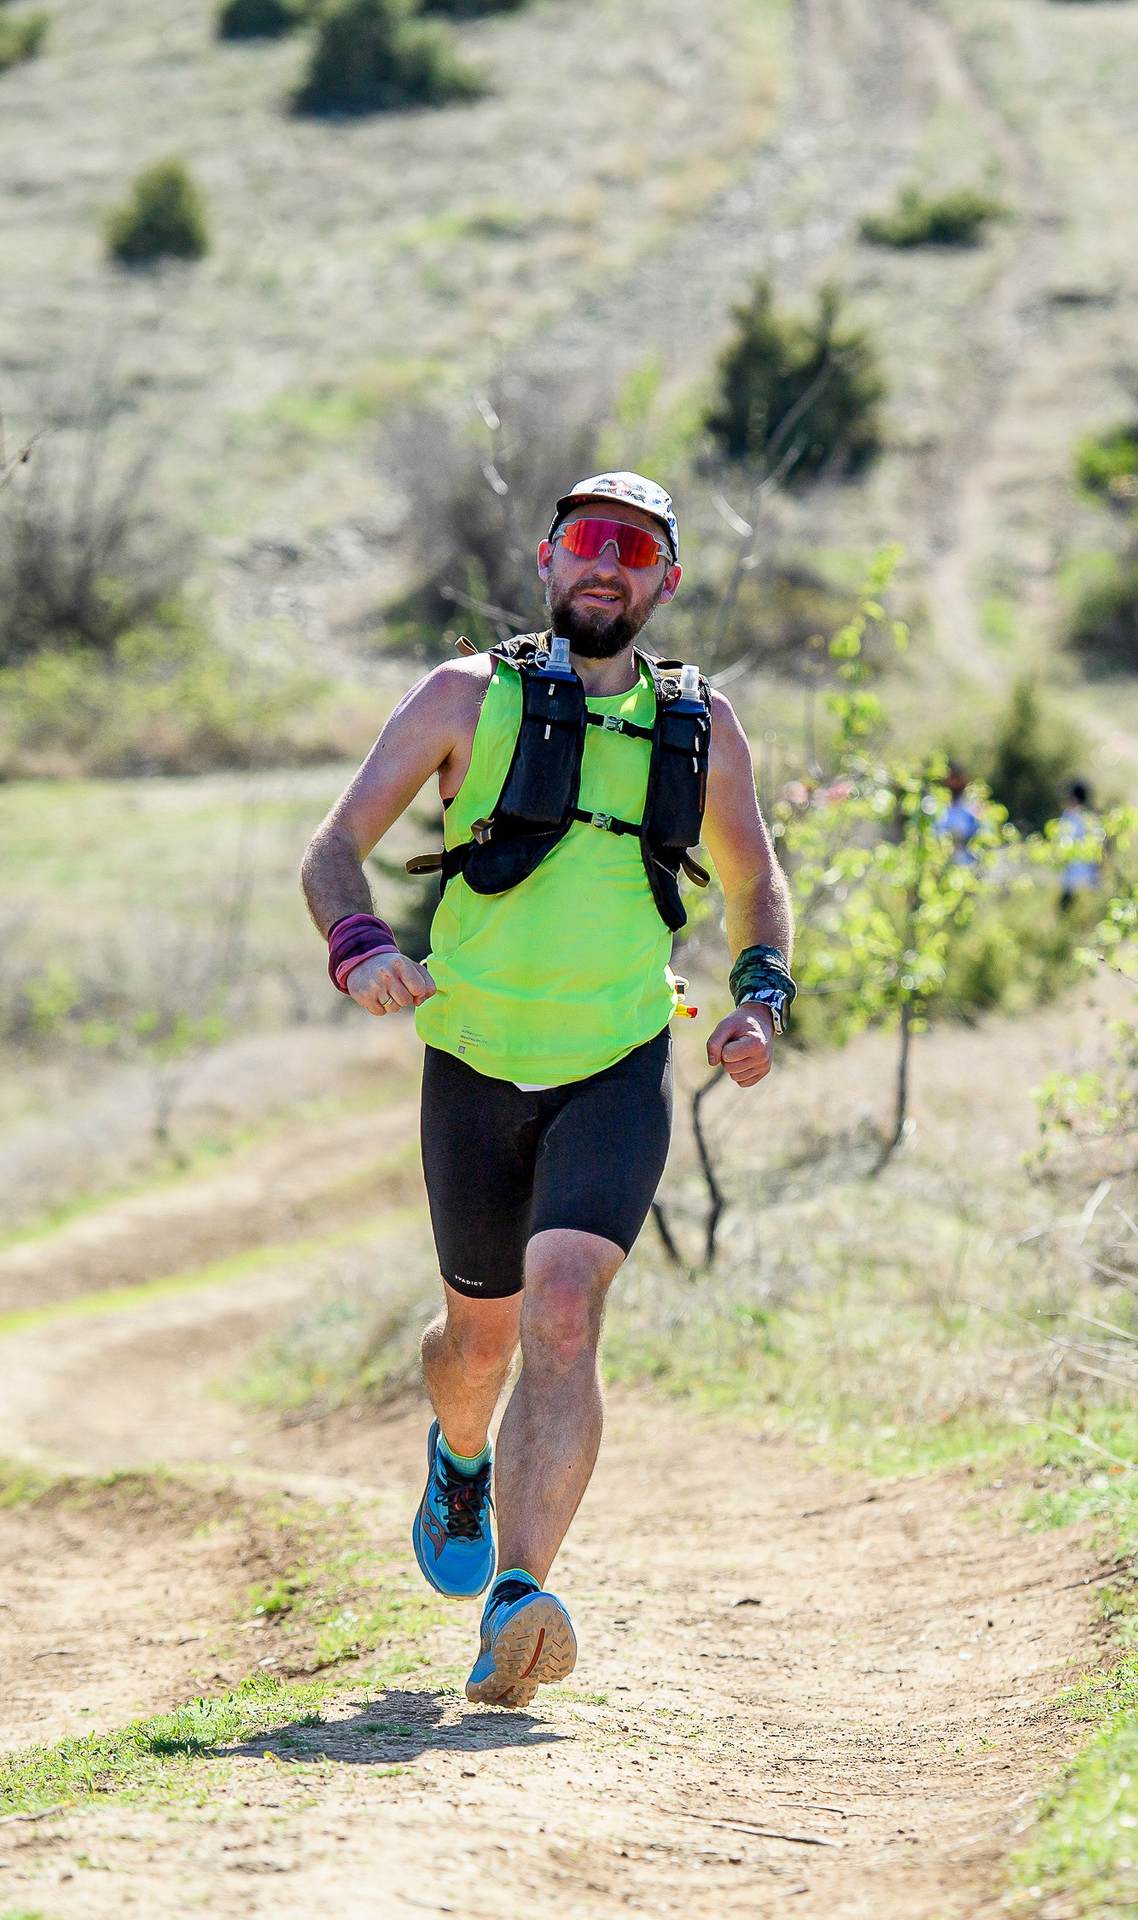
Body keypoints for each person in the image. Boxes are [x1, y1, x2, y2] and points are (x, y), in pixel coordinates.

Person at [297, 471, 795, 1710]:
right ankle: (457, 1455)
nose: (605, 564)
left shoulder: (702, 726)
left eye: (633, 549)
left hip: (618, 1059)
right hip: (471, 1062)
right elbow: (332, 847)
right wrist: (359, 946)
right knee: (477, 1339)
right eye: (585, 542)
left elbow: (755, 882)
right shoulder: (467, 697)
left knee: (562, 1309)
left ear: (665, 581)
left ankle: (518, 1599)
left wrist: (758, 997)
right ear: (547, 561)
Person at [1054, 778, 1103, 909]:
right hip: (1071, 875)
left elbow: (1098, 845)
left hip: (1086, 874)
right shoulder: (1068, 816)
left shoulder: (1086, 818)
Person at [937, 763, 982, 863]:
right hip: (943, 860)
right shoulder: (936, 805)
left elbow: (979, 833)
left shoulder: (972, 806)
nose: (954, 783)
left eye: (957, 779)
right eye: (951, 779)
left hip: (967, 860)